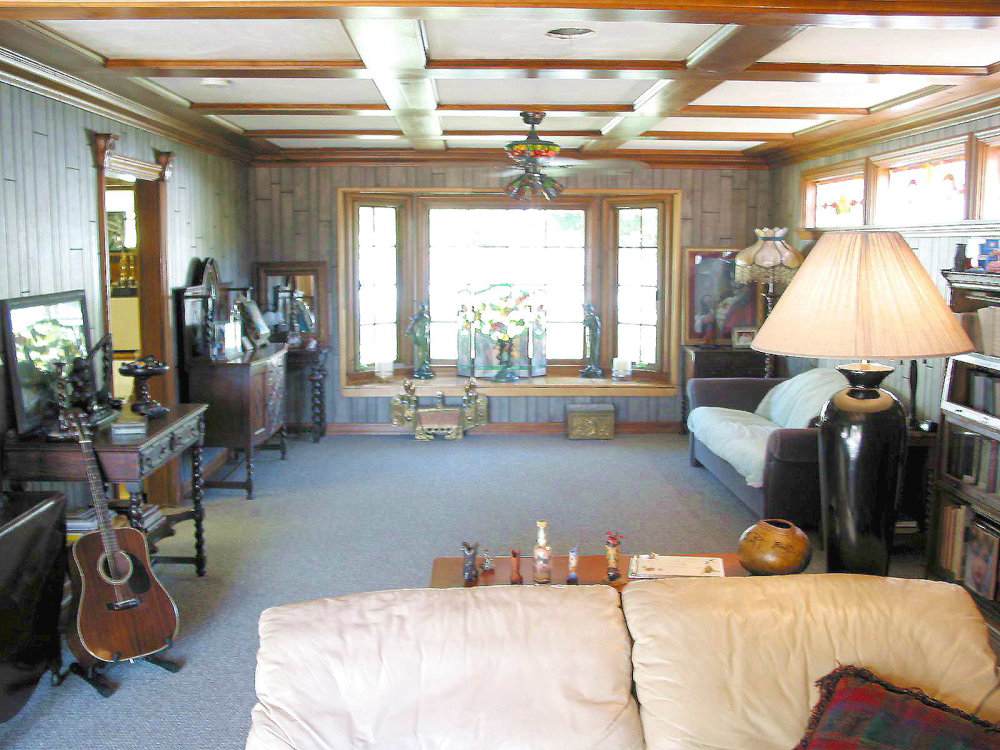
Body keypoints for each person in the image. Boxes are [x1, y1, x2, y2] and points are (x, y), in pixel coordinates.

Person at [404, 302, 434, 379]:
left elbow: (427, 326)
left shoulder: (426, 317)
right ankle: (417, 368)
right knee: (422, 353)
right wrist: (409, 333)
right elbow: (411, 326)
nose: (424, 309)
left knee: (425, 352)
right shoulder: (418, 317)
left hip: (426, 335)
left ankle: (423, 367)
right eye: (423, 308)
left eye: (425, 307)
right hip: (421, 335)